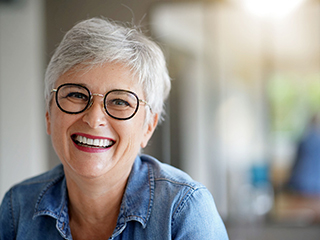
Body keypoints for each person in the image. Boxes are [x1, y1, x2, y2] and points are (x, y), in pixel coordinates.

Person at [0, 17, 228, 239]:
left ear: (148, 126)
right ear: (49, 115)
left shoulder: (183, 211)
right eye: (77, 95)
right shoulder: (18, 206)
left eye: (120, 101)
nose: (94, 118)